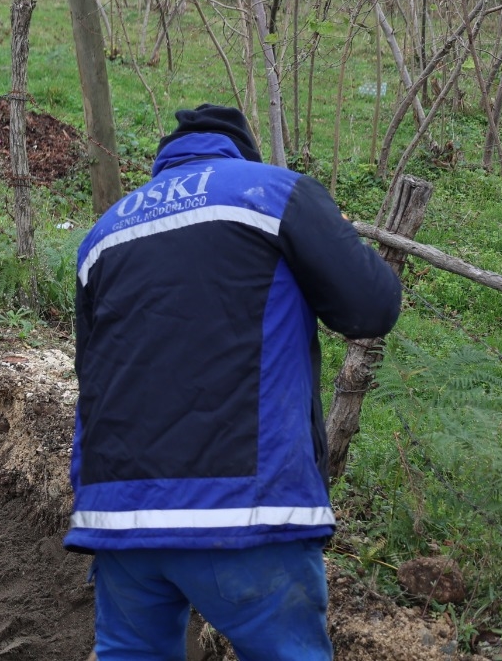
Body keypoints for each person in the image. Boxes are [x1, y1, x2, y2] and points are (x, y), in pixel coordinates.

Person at [68, 104, 402, 660]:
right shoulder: (275, 193)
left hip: (118, 512)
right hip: (245, 506)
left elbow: (90, 372)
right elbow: (372, 307)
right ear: (243, 151)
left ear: (165, 161)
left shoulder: (103, 233)